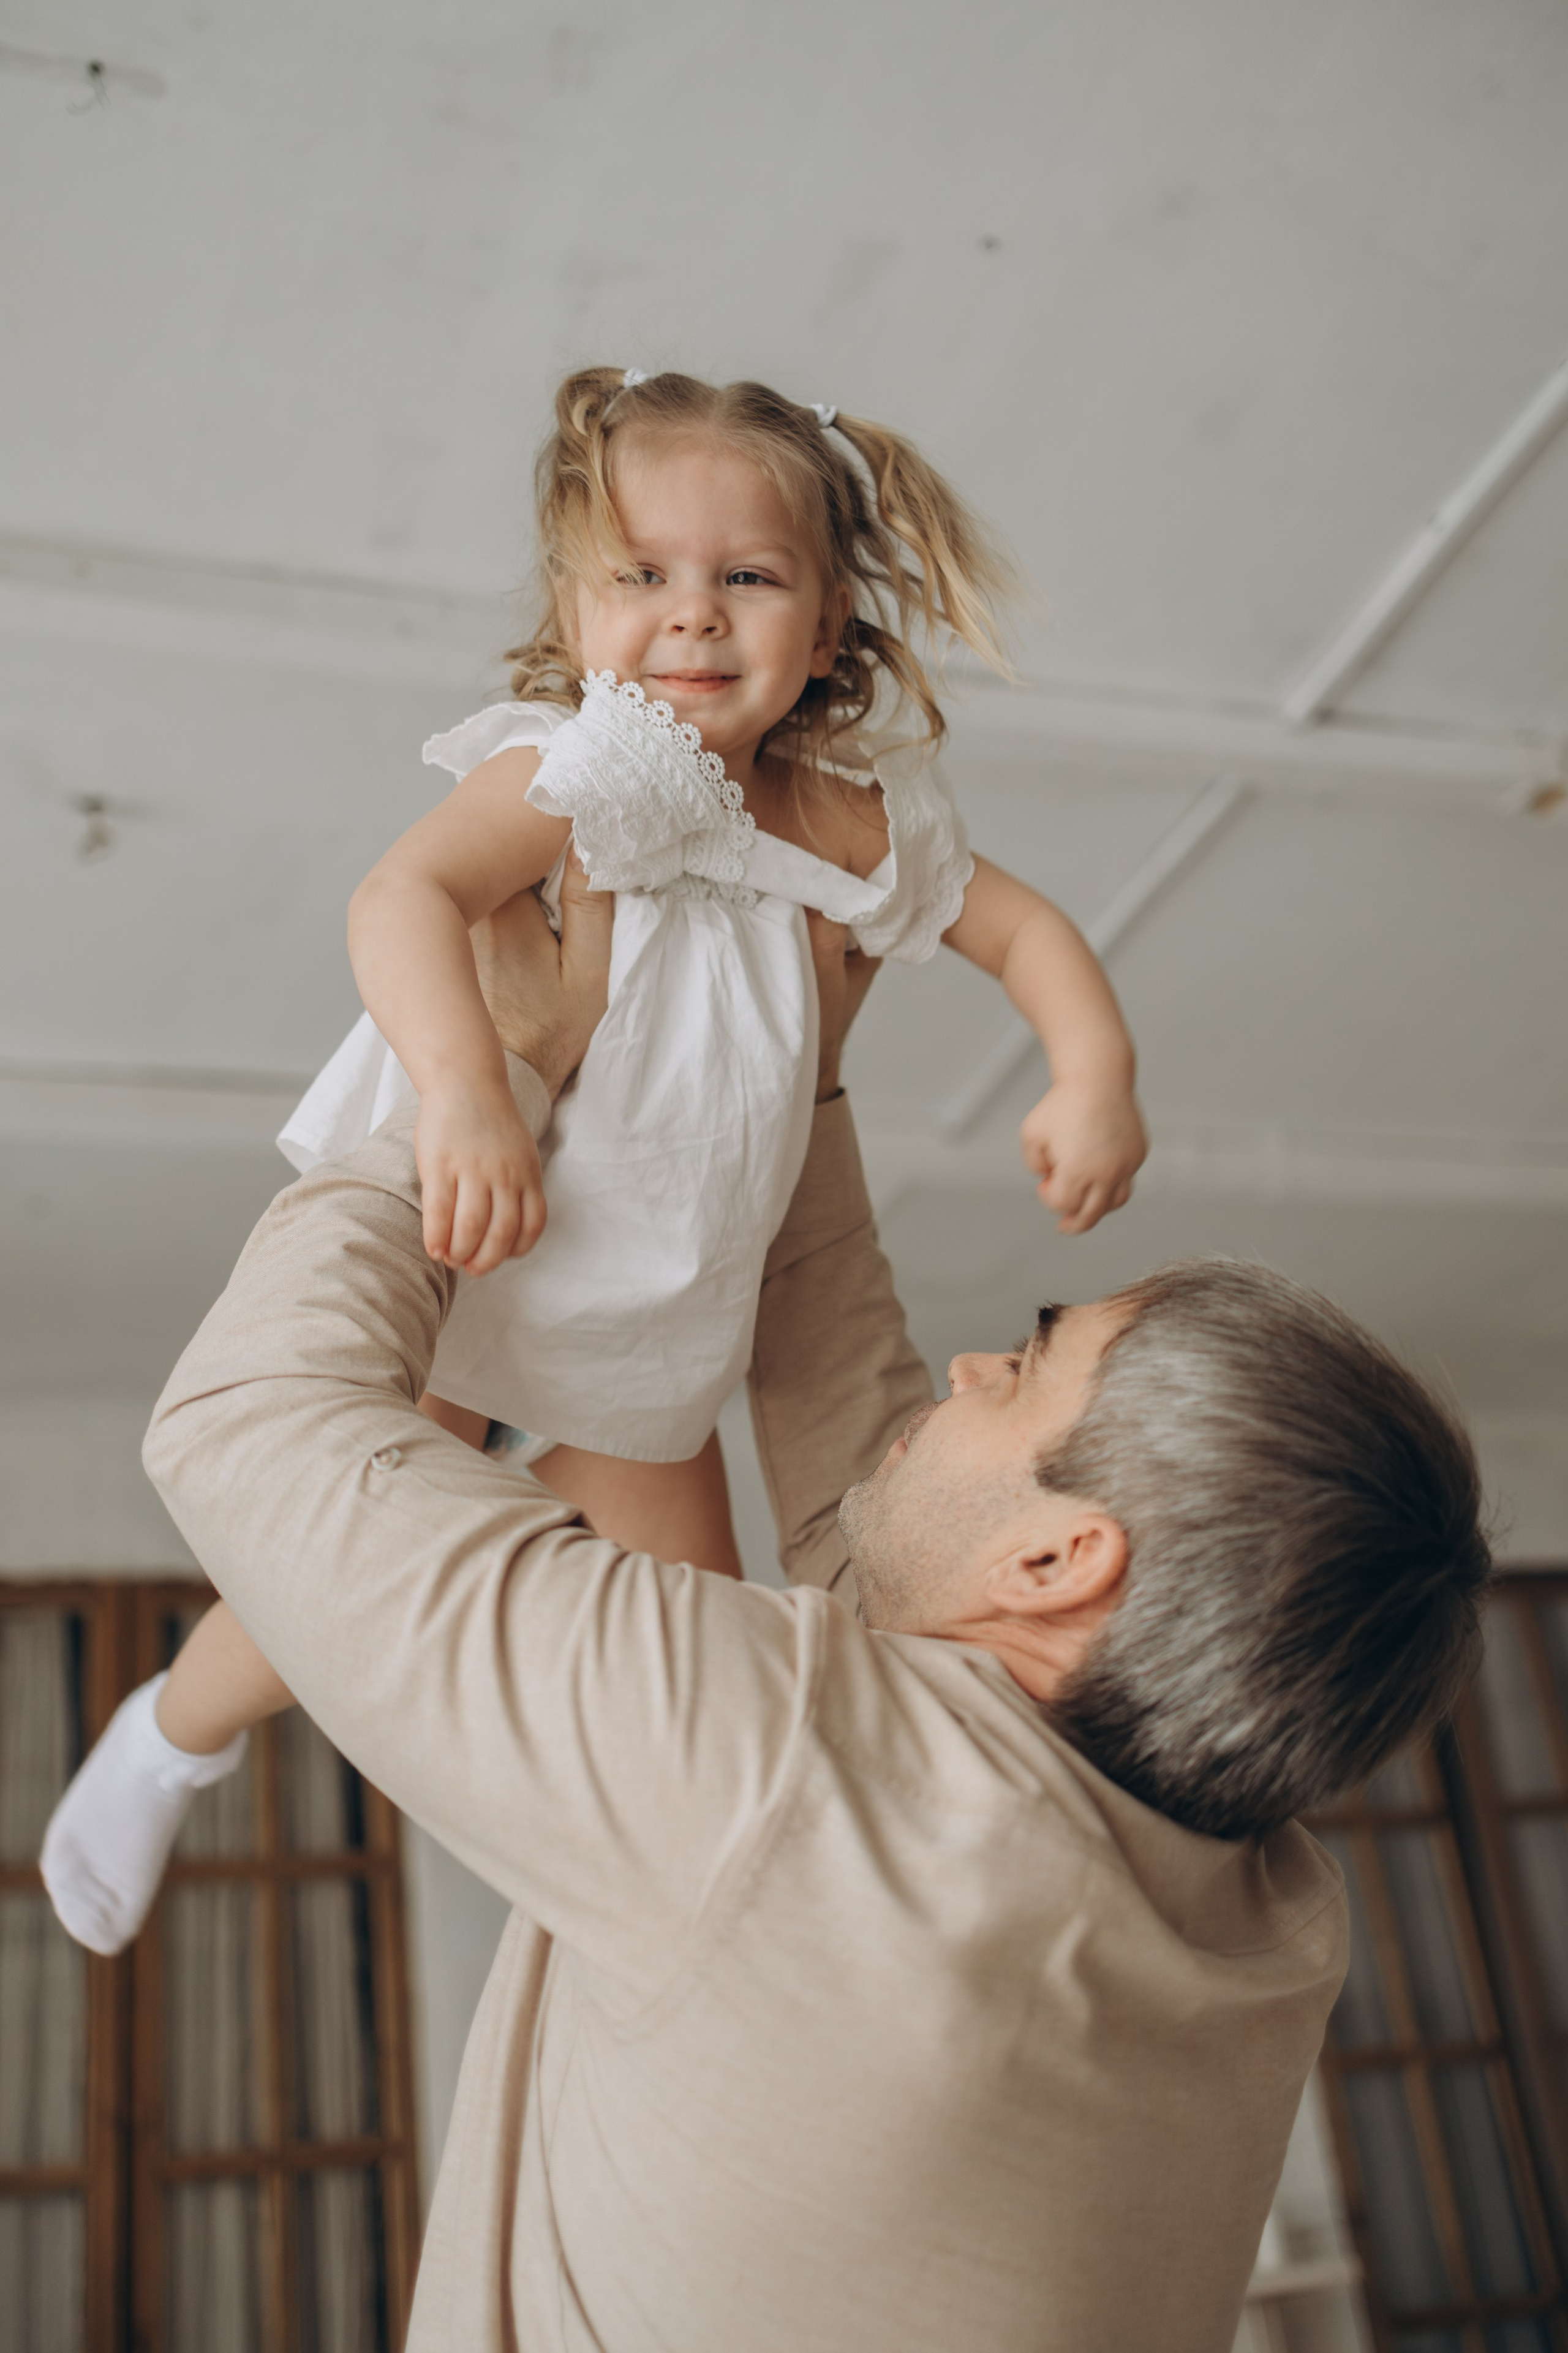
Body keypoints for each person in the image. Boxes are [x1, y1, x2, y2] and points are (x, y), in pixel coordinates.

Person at [130, 877, 1484, 2352]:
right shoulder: (1257, 1912)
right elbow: (885, 1521)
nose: (968, 1370)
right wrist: (799, 1081)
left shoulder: (783, 1789)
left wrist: (499, 1067)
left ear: (1055, 1565)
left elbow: (248, 1424)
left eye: (1028, 1370)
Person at [43, 364, 1147, 1953]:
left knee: (693, 1644)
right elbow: (402, 900)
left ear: (828, 624)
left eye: (748, 578)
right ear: (574, 608)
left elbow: (1025, 929)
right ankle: (169, 1736)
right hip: (502, 1218)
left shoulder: (850, 824)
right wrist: (462, 1091)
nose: (692, 617)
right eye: (643, 576)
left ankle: (624, 1911)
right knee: (335, 1561)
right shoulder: (580, 770)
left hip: (656, 1288)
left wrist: (1091, 1067)